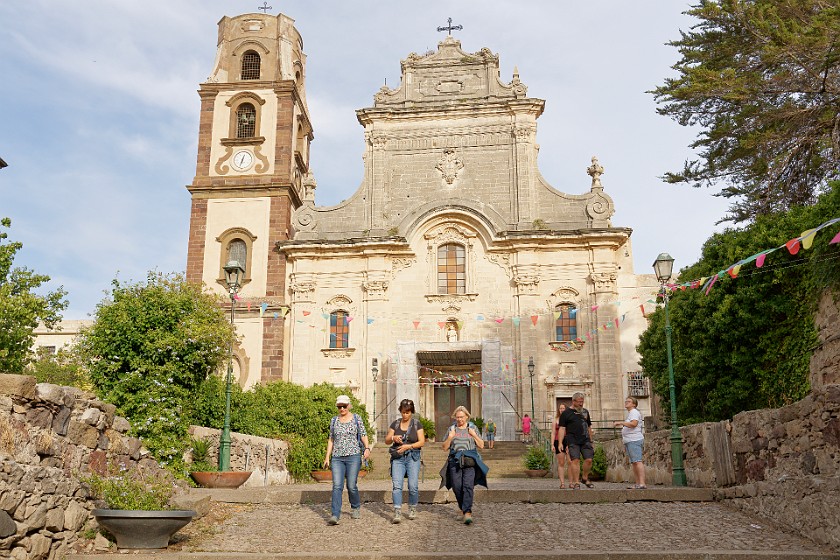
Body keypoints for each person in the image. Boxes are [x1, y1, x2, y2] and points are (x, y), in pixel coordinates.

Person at [323, 394, 370, 525]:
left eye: (344, 406)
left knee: (351, 485)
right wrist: (327, 456)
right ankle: (335, 515)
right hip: (337, 457)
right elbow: (331, 439)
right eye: (339, 407)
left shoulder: (356, 418)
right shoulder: (334, 421)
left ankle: (355, 506)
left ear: (349, 406)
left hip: (353, 456)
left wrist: (367, 448)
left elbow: (363, 434)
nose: (342, 409)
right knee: (337, 486)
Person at [440, 405, 488, 525]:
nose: (460, 420)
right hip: (454, 461)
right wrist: (450, 437)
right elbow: (445, 448)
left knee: (468, 485)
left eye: (462, 417)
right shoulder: (452, 429)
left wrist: (474, 435)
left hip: (470, 461)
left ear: (467, 416)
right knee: (456, 486)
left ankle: (467, 512)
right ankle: (463, 508)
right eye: (457, 417)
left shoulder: (473, 428)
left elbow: (481, 445)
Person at [385, 398, 425, 523]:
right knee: (397, 486)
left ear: (411, 412)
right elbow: (386, 440)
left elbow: (422, 441)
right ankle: (397, 511)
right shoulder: (395, 424)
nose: (405, 415)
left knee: (413, 486)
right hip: (398, 458)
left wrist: (409, 446)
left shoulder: (417, 424)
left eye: (407, 412)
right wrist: (393, 437)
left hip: (413, 457)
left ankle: (412, 508)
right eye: (403, 412)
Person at [556, 392, 594, 489]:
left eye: (582, 402)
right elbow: (562, 428)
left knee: (589, 460)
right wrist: (560, 443)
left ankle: (584, 477)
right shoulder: (566, 413)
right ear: (573, 401)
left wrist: (591, 440)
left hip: (585, 439)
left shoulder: (585, 412)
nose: (581, 404)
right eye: (579, 402)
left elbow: (589, 426)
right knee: (575, 460)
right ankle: (576, 482)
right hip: (572, 440)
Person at [614, 396, 646, 489]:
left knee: (637, 461)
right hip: (629, 440)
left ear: (634, 404)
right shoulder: (631, 413)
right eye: (626, 401)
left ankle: (642, 483)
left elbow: (634, 424)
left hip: (634, 439)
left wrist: (621, 423)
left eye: (629, 401)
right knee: (634, 462)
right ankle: (638, 483)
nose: (626, 402)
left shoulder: (634, 412)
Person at [551, 404, 569, 488]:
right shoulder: (555, 420)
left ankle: (572, 482)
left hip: (568, 441)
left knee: (570, 462)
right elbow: (553, 433)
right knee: (561, 462)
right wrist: (552, 444)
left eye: (563, 408)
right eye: (560, 408)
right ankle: (562, 483)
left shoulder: (569, 419)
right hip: (558, 441)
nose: (562, 409)